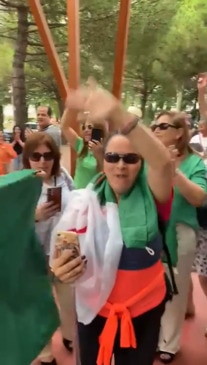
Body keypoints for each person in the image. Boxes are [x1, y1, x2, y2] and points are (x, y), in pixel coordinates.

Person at [50, 82, 174, 365]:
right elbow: (63, 254)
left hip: (144, 310)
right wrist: (60, 270)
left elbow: (164, 165)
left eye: (131, 158)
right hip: (94, 310)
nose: (120, 165)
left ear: (141, 163)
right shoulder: (83, 202)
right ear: (102, 161)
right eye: (113, 157)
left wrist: (118, 115)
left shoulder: (155, 197)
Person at [151, 111, 207, 363]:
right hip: (150, 232)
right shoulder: (147, 160)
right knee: (150, 289)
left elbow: (199, 197)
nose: (156, 130)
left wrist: (174, 172)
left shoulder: (195, 163)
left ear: (179, 132)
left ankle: (169, 343)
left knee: (175, 290)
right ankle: (152, 336)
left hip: (180, 233)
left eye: (163, 126)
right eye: (154, 126)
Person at [22, 132, 75, 365]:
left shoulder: (64, 178)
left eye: (47, 155)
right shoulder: (21, 184)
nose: (42, 161)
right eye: (36, 156)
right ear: (28, 159)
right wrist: (33, 216)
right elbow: (8, 221)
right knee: (40, 306)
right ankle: (45, 355)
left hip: (63, 252)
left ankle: (70, 336)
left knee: (69, 300)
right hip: (33, 255)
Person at [61, 106, 107, 188]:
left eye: (90, 127)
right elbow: (64, 127)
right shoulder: (80, 144)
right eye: (84, 127)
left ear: (99, 129)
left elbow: (105, 176)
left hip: (93, 196)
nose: (86, 130)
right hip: (77, 195)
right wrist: (70, 105)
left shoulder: (107, 150)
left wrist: (99, 154)